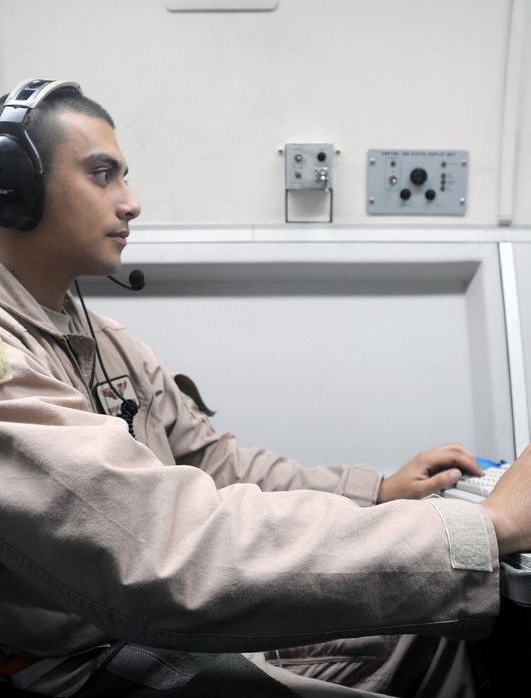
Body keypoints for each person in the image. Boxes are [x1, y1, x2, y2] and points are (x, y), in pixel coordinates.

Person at [0, 78, 530, 698]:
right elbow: (168, 552)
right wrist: (490, 525)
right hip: (76, 668)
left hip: (146, 635)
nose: (131, 202)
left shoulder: (106, 340)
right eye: (102, 175)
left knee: (430, 633)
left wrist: (379, 490)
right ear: (15, 193)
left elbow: (221, 467)